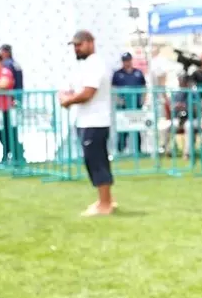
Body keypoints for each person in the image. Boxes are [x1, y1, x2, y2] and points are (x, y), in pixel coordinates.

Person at [60, 30, 114, 216]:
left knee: (97, 161)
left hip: (96, 121)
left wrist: (68, 100)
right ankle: (104, 200)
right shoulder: (83, 66)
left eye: (79, 44)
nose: (77, 49)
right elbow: (69, 88)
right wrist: (64, 96)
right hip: (85, 120)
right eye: (75, 45)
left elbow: (88, 93)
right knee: (93, 161)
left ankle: (105, 203)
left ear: (91, 43)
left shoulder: (96, 64)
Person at [112, 52, 147, 154]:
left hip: (136, 104)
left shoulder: (138, 73)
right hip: (123, 105)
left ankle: (138, 150)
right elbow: (114, 89)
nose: (127, 63)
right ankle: (121, 150)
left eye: (128, 60)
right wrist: (120, 101)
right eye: (125, 61)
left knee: (137, 126)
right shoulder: (118, 74)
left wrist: (142, 100)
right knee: (123, 128)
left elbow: (144, 87)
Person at [0, 44, 25, 164]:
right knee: (12, 128)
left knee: (6, 130)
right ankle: (16, 153)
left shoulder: (7, 65)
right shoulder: (15, 63)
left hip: (9, 101)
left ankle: (11, 154)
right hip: (16, 99)